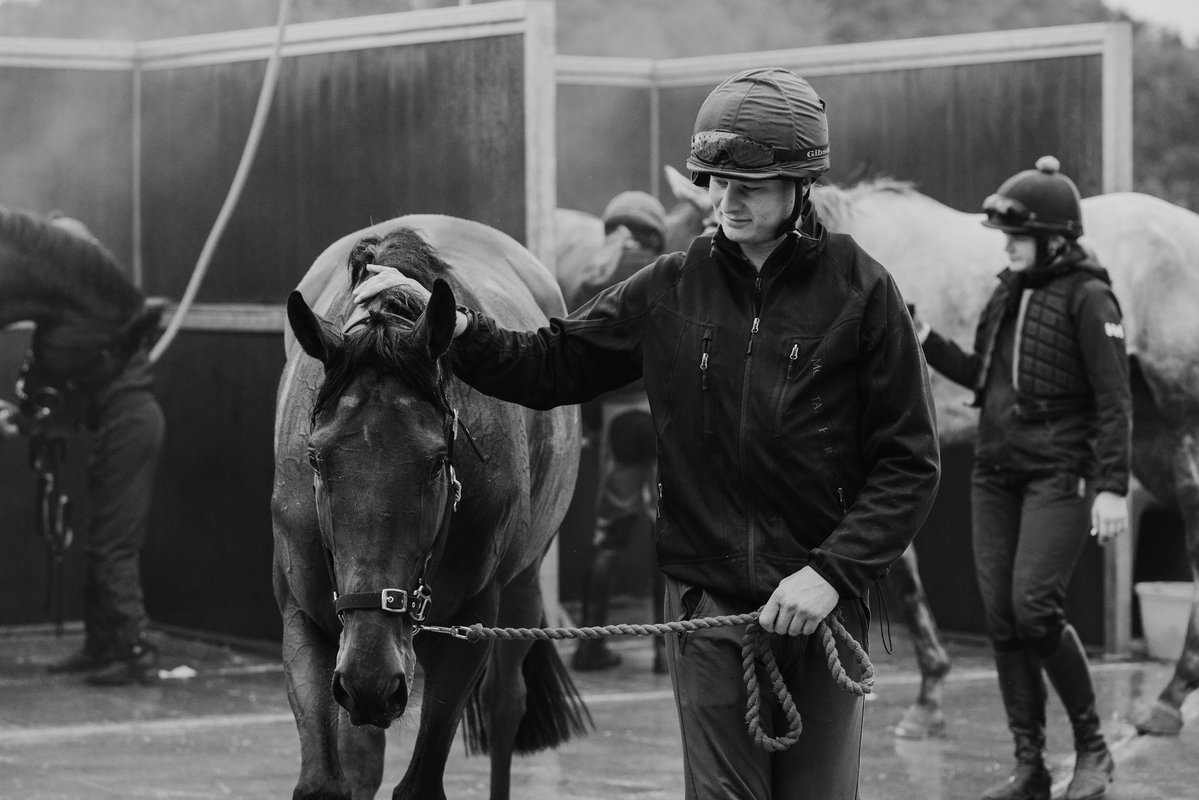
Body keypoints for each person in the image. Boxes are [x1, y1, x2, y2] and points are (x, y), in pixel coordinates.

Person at [355, 67, 940, 799]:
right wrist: (454, 326)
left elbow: (910, 464)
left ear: (801, 184)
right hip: (709, 608)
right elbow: (550, 364)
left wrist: (830, 575)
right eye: (716, 181)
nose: (725, 200)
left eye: (749, 185)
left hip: (824, 609)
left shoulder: (865, 292)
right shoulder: (671, 285)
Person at [912, 156, 1131, 800]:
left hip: (1059, 473)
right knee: (1004, 619)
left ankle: (1093, 749)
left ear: (1054, 238)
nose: (1005, 245)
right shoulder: (1008, 290)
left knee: (1035, 611)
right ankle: (1029, 768)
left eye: (1017, 235)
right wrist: (924, 335)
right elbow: (982, 375)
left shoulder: (1091, 297)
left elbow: (1115, 399)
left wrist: (1112, 486)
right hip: (994, 473)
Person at [0, 212, 165, 687]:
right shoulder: (83, 315)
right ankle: (101, 644)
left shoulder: (101, 316)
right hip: (118, 425)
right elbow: (69, 389)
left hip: (130, 426)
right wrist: (28, 416)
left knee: (113, 544)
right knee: (102, 540)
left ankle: (134, 647)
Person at [569, 190, 669, 673]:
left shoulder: (591, 279)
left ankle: (590, 646)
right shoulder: (669, 273)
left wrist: (589, 424)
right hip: (665, 417)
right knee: (667, 531)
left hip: (618, 420)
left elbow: (577, 359)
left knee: (608, 534)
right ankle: (665, 652)